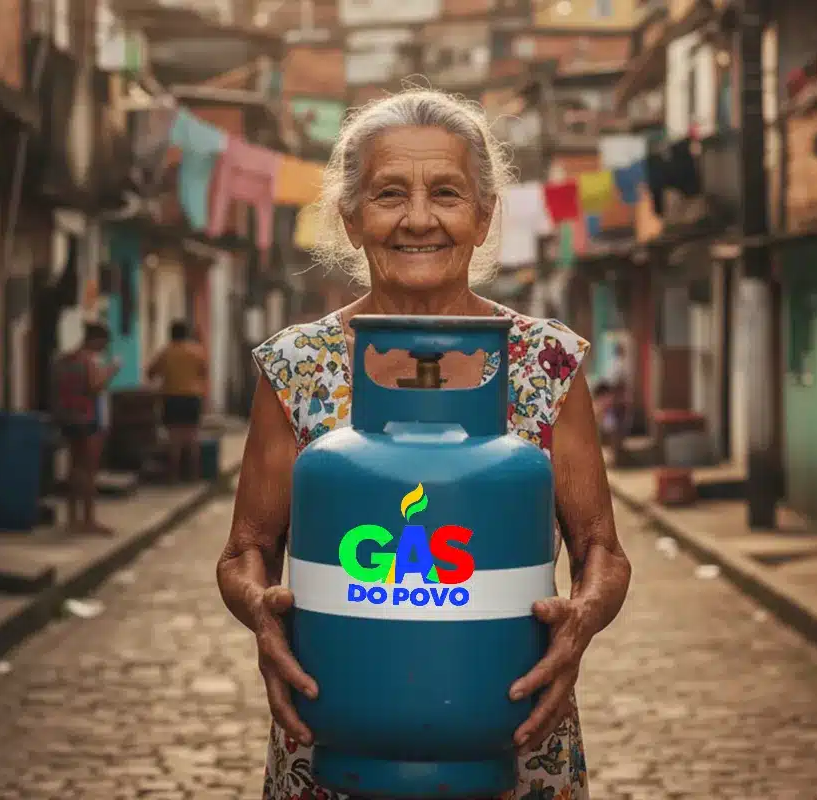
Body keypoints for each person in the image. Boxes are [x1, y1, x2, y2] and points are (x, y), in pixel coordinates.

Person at [216, 89, 632, 800]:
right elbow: (245, 548)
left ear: (483, 215)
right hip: (335, 739)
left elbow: (601, 550)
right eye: (387, 194)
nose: (417, 219)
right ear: (349, 219)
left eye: (446, 193)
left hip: (511, 736)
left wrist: (580, 623)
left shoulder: (544, 363)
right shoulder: (296, 367)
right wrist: (262, 613)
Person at [52, 321, 120, 535]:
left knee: (74, 469)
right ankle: (88, 521)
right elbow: (95, 386)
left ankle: (72, 519)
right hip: (90, 419)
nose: (105, 347)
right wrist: (112, 370)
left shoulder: (64, 359)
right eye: (104, 342)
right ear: (96, 340)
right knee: (89, 472)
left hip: (70, 419)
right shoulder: (89, 360)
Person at [146, 320, 209, 482]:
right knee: (193, 437)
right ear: (187, 334)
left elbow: (150, 373)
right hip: (193, 397)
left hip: (172, 398)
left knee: (174, 439)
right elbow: (204, 373)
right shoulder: (197, 351)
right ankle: (194, 475)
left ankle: (173, 476)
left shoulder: (166, 352)